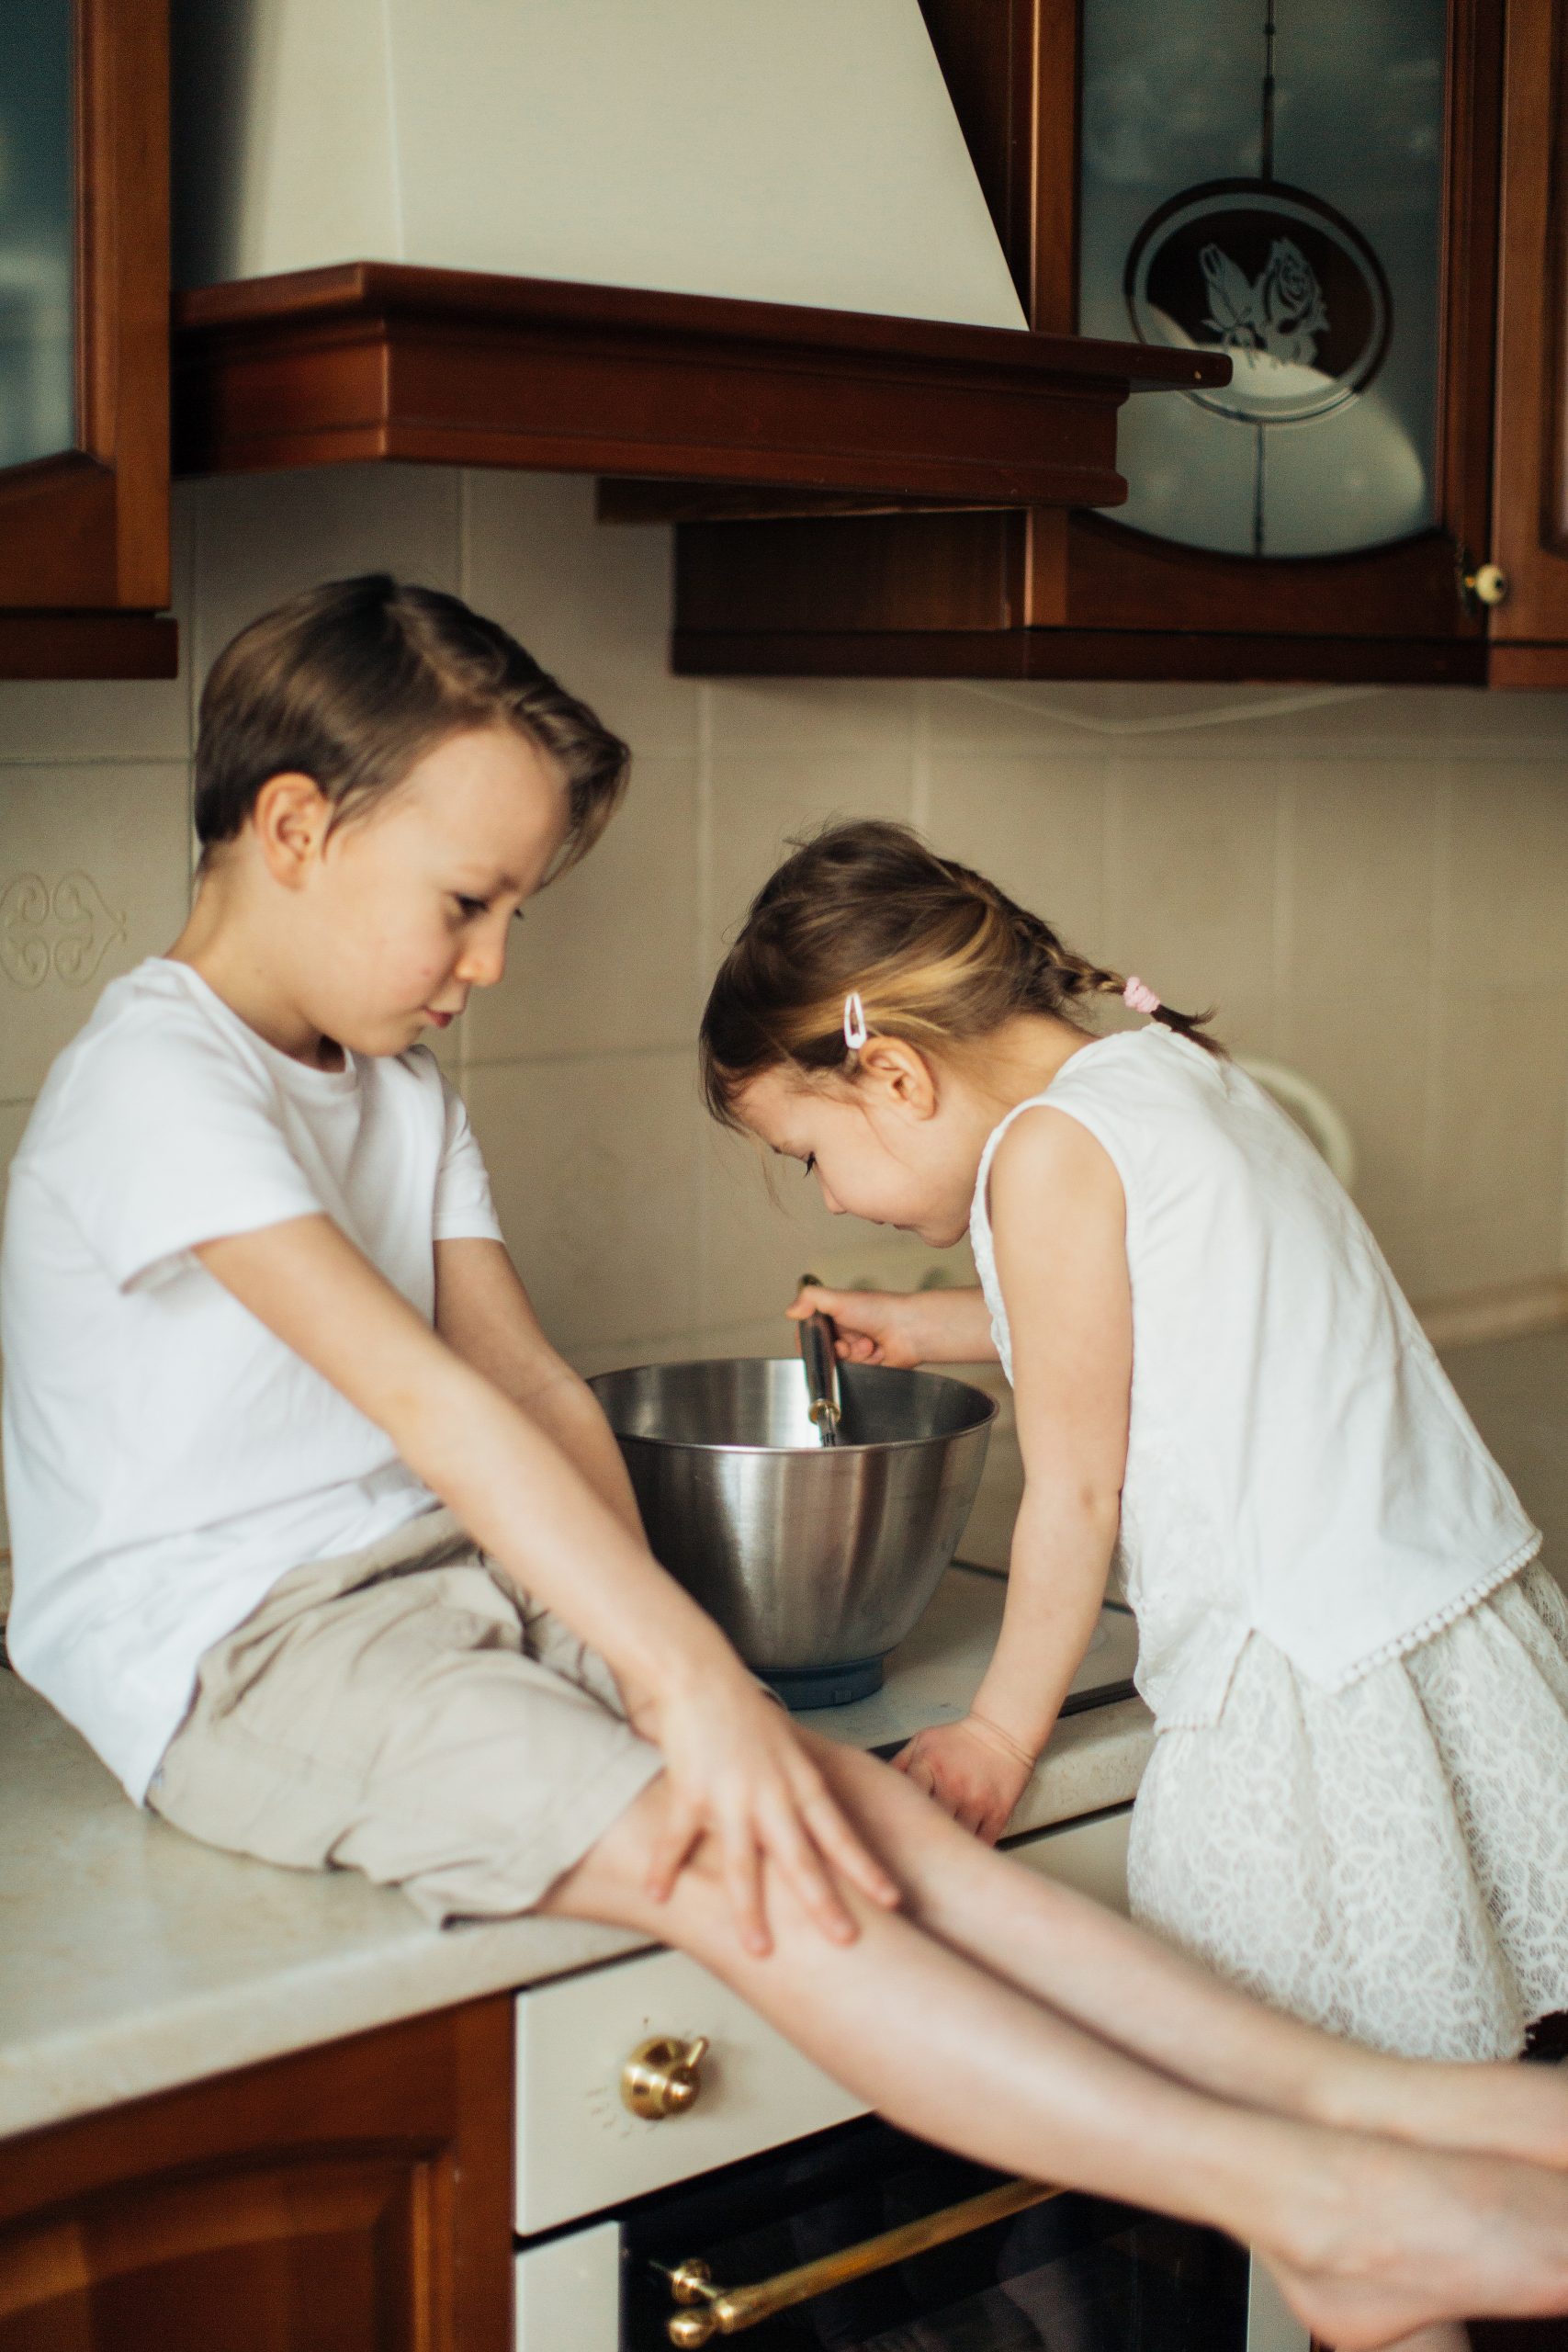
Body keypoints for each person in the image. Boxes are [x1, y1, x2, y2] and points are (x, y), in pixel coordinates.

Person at [5, 586, 1568, 2350]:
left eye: (513, 910)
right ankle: (1322, 2198)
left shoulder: (403, 1092)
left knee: (836, 1811)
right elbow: (439, 1406)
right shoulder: (157, 1082)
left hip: (450, 1582)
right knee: (734, 1855)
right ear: (295, 827)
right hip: (254, 1648)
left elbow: (531, 1384)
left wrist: (684, 1659)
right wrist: (694, 1694)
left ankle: (1399, 2110)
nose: (495, 961)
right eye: (470, 904)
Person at [701, 815, 1568, 2352]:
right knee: (1431, 2156)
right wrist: (925, 1325)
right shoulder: (1152, 1072)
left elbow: (1078, 1487)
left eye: (809, 1155)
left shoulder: (1044, 1153)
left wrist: (997, 1732)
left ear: (893, 1074)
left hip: (1306, 1689)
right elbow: (1129, 1305)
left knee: (1341, 2192)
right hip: (1430, 1630)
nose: (828, 1197)